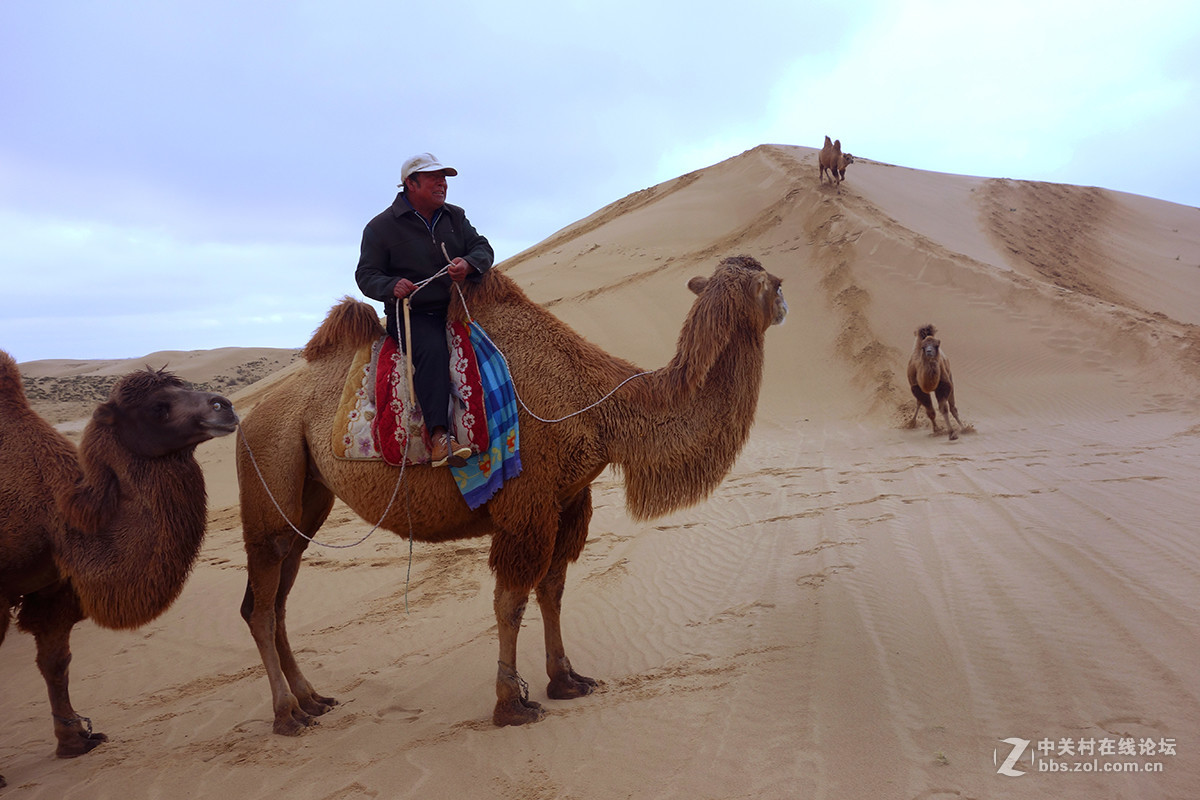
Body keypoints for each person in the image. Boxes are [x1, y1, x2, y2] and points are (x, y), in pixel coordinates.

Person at [355, 153, 495, 467]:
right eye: (433, 178)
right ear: (410, 183)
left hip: (459, 307)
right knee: (432, 350)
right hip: (413, 314)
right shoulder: (381, 228)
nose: (442, 184)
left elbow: (482, 247)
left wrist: (469, 263)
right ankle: (439, 437)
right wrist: (391, 285)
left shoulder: (455, 217)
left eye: (444, 178)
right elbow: (365, 275)